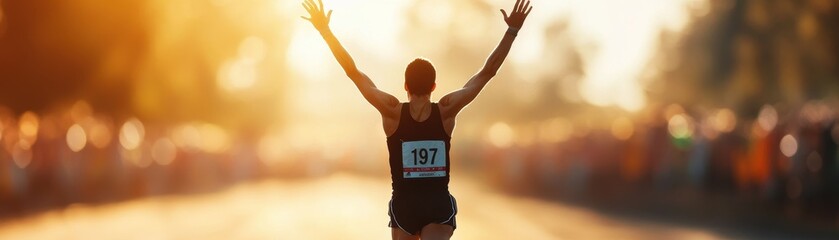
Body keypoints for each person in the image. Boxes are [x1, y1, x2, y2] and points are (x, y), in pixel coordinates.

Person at [301, 0, 532, 239]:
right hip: (437, 206)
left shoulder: (391, 111)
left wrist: (325, 31)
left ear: (405, 86)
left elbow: (353, 72)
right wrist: (511, 31)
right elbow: (486, 73)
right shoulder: (445, 111)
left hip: (404, 208)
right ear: (434, 86)